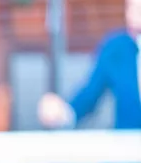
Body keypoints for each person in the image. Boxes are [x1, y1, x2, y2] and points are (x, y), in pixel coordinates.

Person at [38, 0, 141, 129]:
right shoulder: (116, 49)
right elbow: (90, 95)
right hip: (128, 144)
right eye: (132, 6)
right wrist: (62, 113)